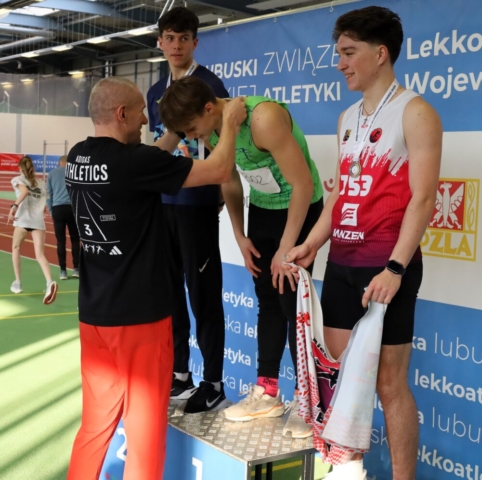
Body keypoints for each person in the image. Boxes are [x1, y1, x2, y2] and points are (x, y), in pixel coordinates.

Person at [285, 6, 442, 480]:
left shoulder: (416, 112)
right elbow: (339, 196)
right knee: (340, 381)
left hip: (387, 266)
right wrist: (313, 243)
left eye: (349, 53)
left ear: (380, 53)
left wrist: (395, 269)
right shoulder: (347, 117)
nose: (340, 63)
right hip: (342, 263)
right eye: (339, 53)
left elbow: (423, 198)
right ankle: (348, 471)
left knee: (389, 384)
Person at [65, 76, 245, 480]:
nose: (146, 119)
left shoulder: (78, 156)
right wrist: (231, 123)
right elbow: (219, 169)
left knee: (94, 428)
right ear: (122, 114)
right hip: (140, 321)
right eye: (140, 112)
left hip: (94, 318)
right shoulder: (135, 163)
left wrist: (176, 132)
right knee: (145, 437)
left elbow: (146, 161)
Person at [160, 76, 324, 438]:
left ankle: (307, 401)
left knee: (291, 303)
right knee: (267, 299)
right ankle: (267, 391)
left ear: (209, 108)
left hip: (299, 208)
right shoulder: (217, 128)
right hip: (263, 209)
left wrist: (286, 248)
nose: (191, 138)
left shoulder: (263, 118)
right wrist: (239, 233)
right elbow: (230, 179)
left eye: (192, 129)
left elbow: (303, 185)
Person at [147, 6, 230, 413]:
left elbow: (225, 148)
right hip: (162, 205)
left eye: (184, 38)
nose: (176, 45)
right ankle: (180, 373)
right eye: (170, 37)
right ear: (160, 42)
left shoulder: (211, 86)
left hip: (197, 205)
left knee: (203, 296)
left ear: (195, 42)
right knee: (169, 296)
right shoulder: (154, 92)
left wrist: (219, 196)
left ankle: (213, 382)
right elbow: (154, 149)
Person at [8, 155, 58, 305]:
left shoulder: (17, 179)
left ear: (20, 168)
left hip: (22, 220)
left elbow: (24, 192)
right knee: (40, 255)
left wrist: (14, 206)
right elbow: (44, 206)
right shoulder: (40, 183)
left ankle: (18, 282)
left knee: (16, 248)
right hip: (38, 222)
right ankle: (49, 282)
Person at [47, 155, 80, 280]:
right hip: (72, 209)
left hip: (58, 209)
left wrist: (51, 210)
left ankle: (63, 271)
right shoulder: (75, 173)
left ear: (59, 163)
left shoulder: (52, 174)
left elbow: (48, 194)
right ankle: (76, 269)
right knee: (75, 240)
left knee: (60, 241)